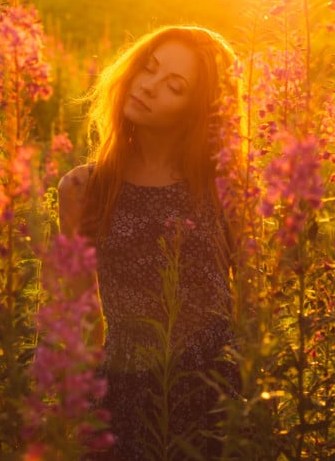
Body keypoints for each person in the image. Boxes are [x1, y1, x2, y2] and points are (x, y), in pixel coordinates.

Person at [58, 25, 242, 460]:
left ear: (196, 110)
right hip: (124, 397)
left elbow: (255, 304)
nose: (148, 87)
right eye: (148, 68)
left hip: (214, 397)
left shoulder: (224, 185)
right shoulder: (84, 188)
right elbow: (84, 318)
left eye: (174, 86)